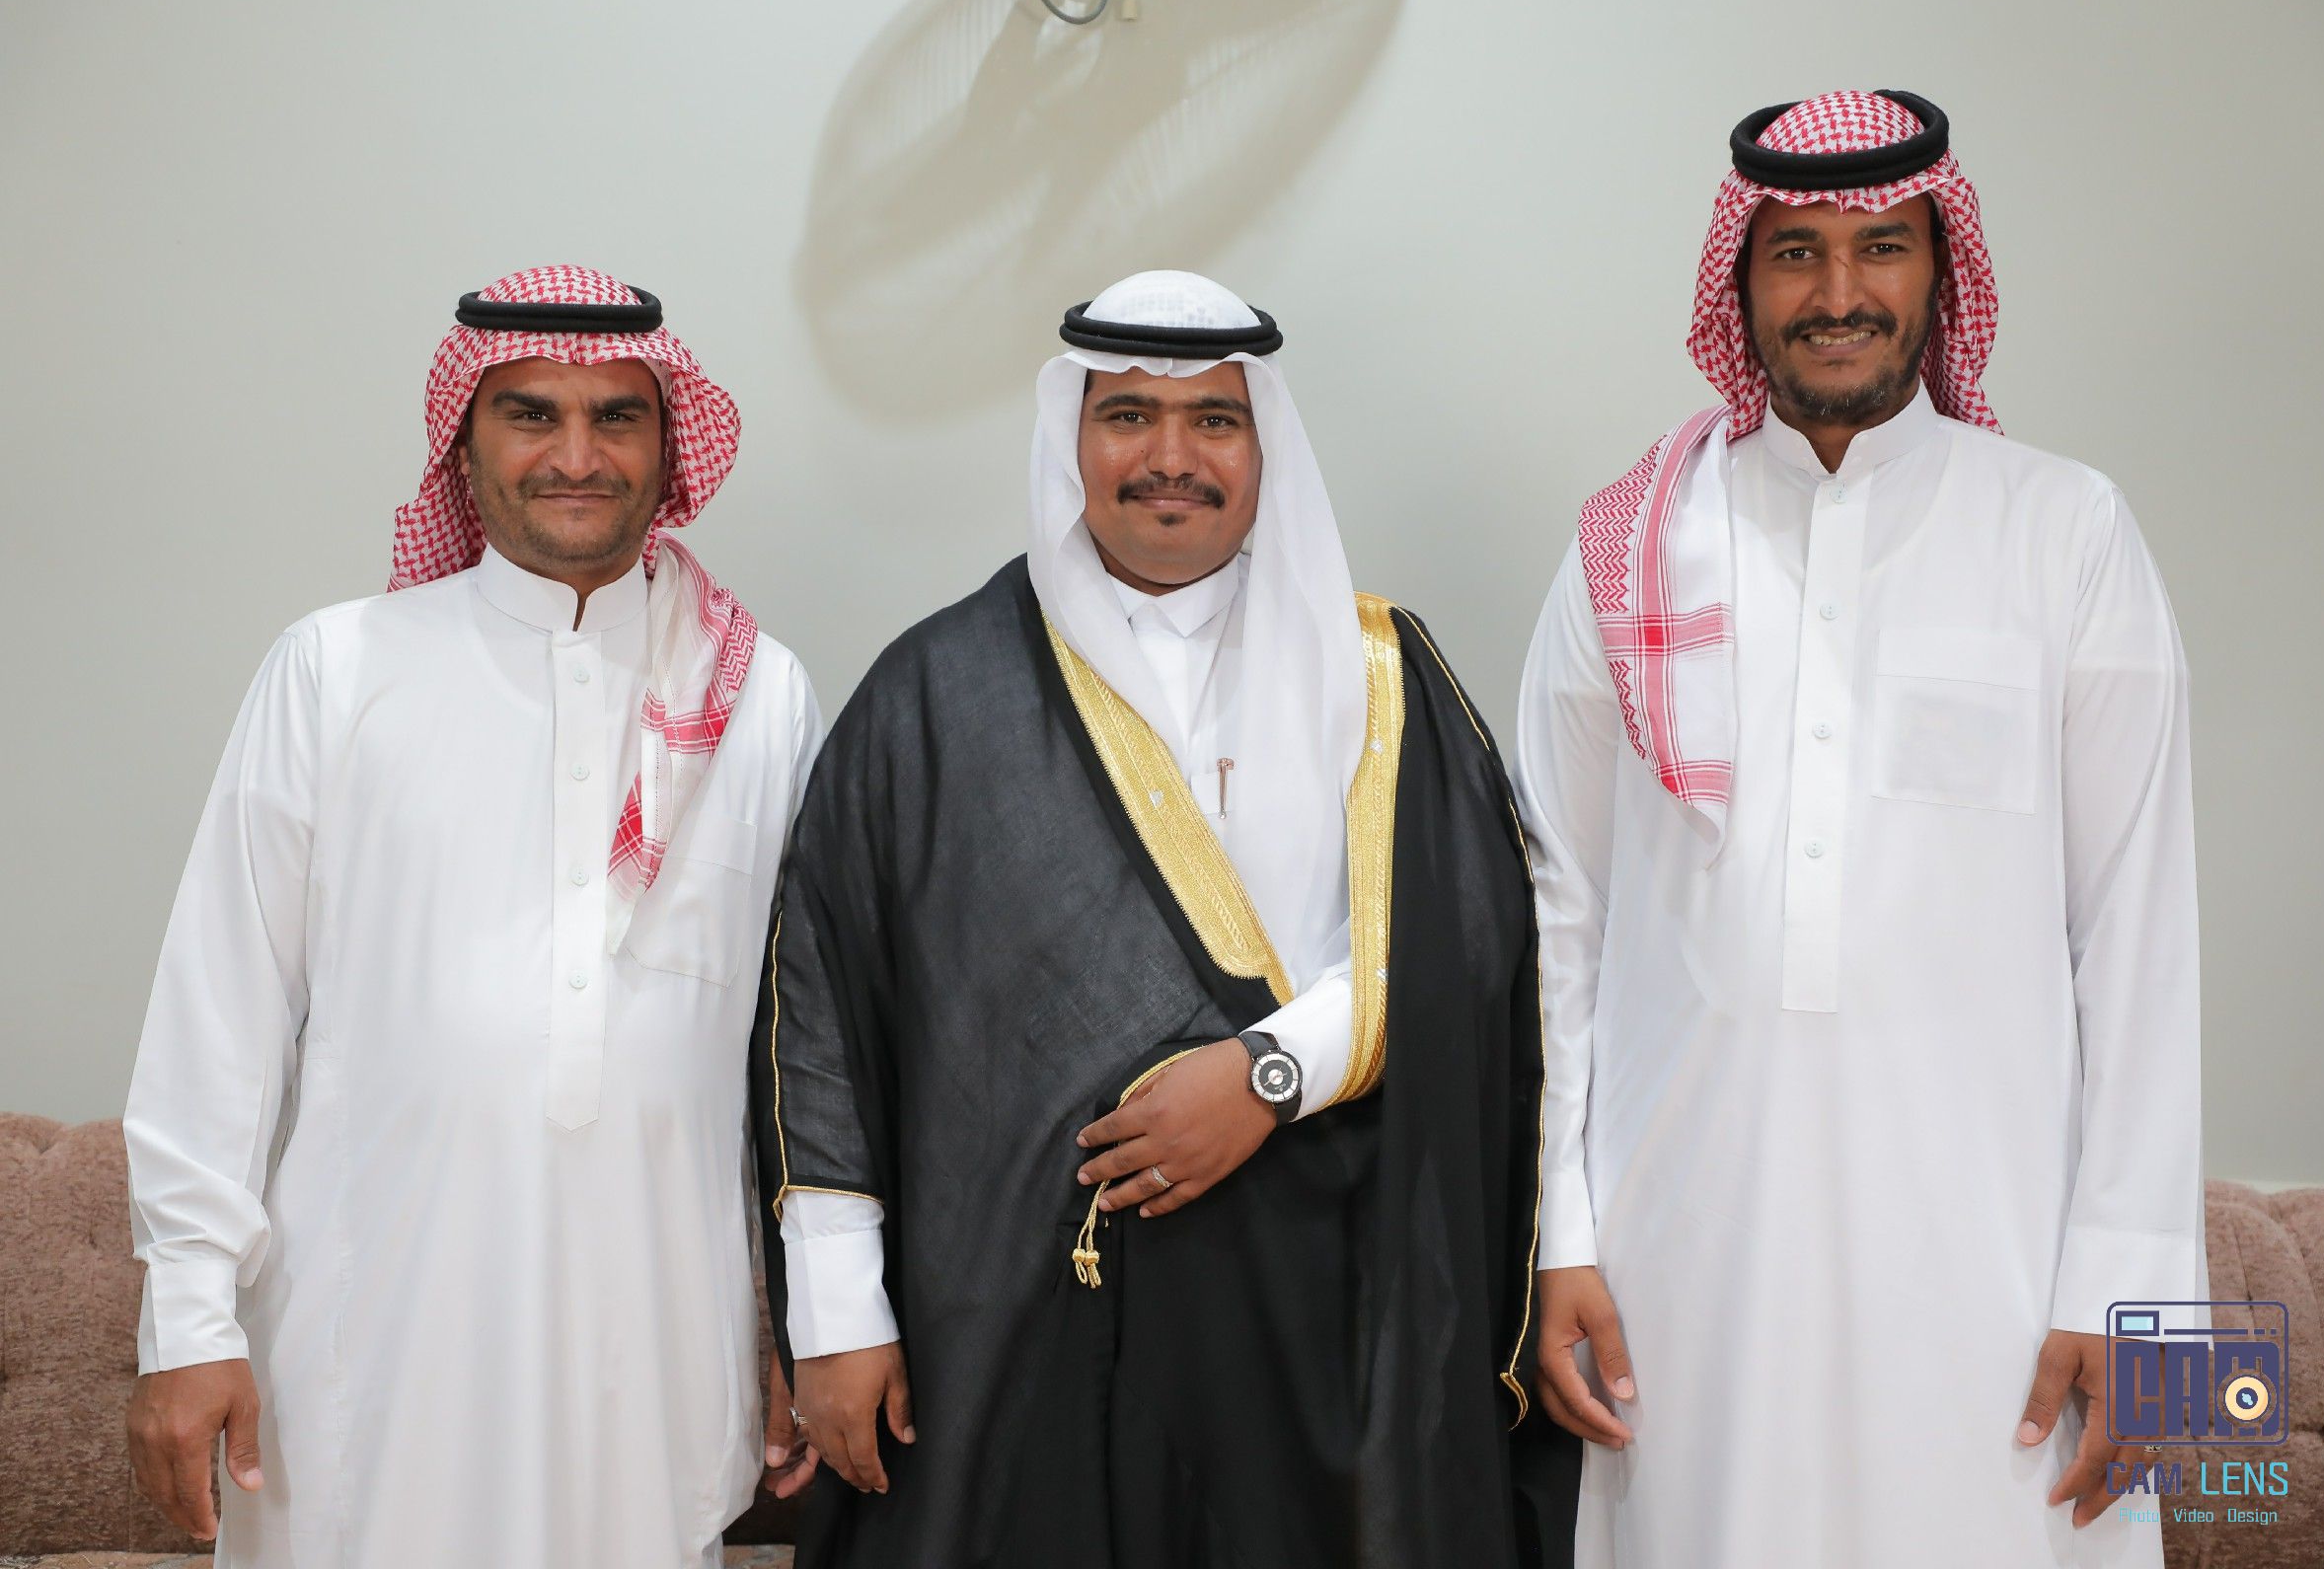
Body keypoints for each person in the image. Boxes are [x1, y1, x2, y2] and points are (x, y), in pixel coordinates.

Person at [753, 270, 1580, 1567]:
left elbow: (1469, 945)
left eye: (1215, 419)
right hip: (1014, 1329)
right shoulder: (935, 694)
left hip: (1326, 1315)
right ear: (1071, 439)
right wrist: (837, 1315)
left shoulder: (1382, 676)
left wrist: (1267, 1075)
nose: (1171, 457)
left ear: (1266, 446)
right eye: (1128, 414)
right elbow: (821, 1014)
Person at [1517, 91, 2204, 1568]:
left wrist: (2147, 1321)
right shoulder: (1627, 547)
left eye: (1881, 246)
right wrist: (1555, 1237)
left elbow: (2144, 940)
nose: (1839, 292)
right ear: (1740, 283)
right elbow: (1557, 921)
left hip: (2008, 1276)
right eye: (1795, 253)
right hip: (1685, 1265)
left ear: (1942, 270)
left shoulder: (2068, 531)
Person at [122, 265, 824, 1567]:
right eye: (530, 413)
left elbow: (803, 1056)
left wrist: (804, 1321)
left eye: (617, 417)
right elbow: (222, 1011)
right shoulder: (336, 669)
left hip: (650, 1350)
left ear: (670, 447)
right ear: (463, 442)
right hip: (369, 1338)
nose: (577, 455)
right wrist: (188, 1320)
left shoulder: (760, 695)